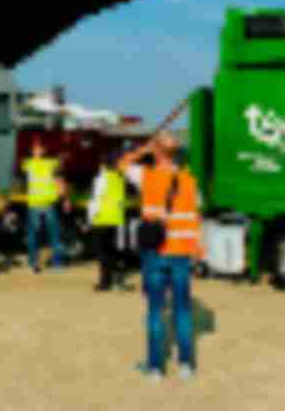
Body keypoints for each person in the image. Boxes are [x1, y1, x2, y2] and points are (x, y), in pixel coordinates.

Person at [118, 132, 203, 383]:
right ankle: (186, 365)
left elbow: (121, 164)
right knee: (183, 311)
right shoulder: (189, 180)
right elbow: (194, 217)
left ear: (156, 152)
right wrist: (196, 246)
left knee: (155, 311)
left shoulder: (147, 176)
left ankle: (155, 368)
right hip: (181, 252)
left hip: (155, 252)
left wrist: (142, 149)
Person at [21, 139, 70, 273]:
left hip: (49, 203)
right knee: (33, 235)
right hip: (34, 204)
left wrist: (65, 199)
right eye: (35, 149)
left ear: (44, 150)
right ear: (32, 151)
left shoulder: (51, 163)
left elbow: (60, 181)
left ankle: (57, 262)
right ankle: (33, 262)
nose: (37, 151)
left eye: (39, 148)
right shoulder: (27, 163)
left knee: (54, 234)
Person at [87, 150, 127, 291]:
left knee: (103, 253)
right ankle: (116, 280)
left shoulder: (101, 179)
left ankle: (105, 282)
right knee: (113, 252)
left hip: (101, 219)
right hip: (116, 219)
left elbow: (95, 200)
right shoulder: (119, 178)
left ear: (103, 165)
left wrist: (90, 219)